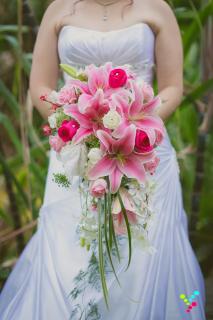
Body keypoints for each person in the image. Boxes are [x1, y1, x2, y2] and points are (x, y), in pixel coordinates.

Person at [0, 0, 206, 319]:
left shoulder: (156, 8)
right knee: (69, 253)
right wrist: (76, 128)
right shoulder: (59, 9)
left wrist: (131, 126)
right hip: (77, 154)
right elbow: (39, 85)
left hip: (144, 151)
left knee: (143, 254)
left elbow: (172, 87)